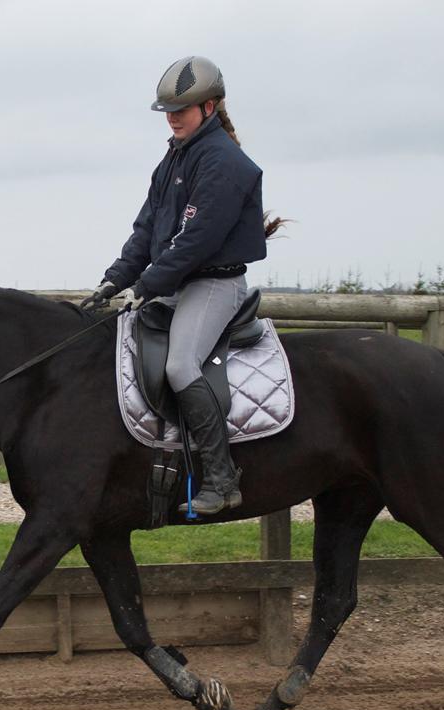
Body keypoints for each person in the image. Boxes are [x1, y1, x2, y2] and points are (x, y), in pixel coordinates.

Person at [83, 55, 281, 516]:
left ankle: (222, 477)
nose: (172, 116)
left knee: (179, 366)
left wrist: (147, 284)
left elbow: (197, 241)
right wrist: (115, 278)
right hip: (177, 282)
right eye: (167, 109)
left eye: (182, 109)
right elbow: (147, 228)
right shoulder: (174, 156)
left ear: (210, 107)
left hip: (213, 285)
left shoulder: (226, 163)